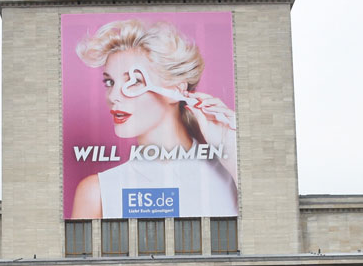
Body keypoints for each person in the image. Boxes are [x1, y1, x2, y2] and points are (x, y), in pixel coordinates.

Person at [71, 18, 239, 219]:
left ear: (175, 90)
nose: (113, 96)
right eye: (109, 82)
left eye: (134, 81)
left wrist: (232, 151)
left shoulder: (232, 175)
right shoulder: (97, 192)